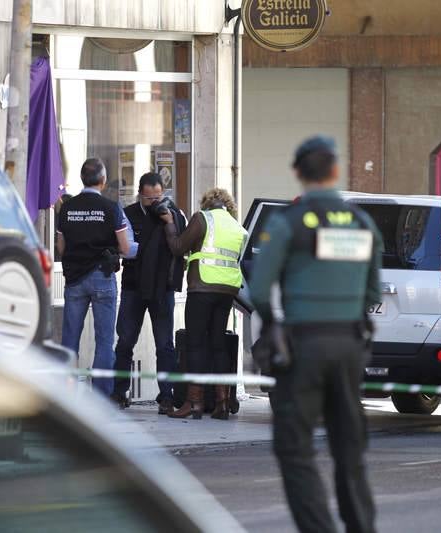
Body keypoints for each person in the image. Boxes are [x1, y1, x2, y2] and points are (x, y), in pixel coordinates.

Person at [249, 136, 381, 533]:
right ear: (336, 171)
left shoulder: (288, 223)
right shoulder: (361, 222)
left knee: (294, 445)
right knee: (349, 445)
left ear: (297, 174)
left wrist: (272, 324)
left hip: (304, 345)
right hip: (349, 345)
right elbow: (373, 291)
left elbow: (258, 289)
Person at [159, 188, 247, 420]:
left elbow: (178, 247)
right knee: (218, 344)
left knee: (196, 344)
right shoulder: (237, 227)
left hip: (203, 287)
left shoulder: (202, 218)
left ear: (207, 202)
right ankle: (222, 403)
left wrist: (169, 223)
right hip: (228, 289)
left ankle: (194, 402)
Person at [112, 173, 186, 413]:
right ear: (140, 195)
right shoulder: (129, 213)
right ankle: (119, 391)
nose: (154, 202)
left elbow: (181, 244)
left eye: (158, 197)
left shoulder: (173, 213)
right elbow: (125, 248)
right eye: (149, 198)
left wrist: (169, 222)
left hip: (162, 288)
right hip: (133, 285)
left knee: (165, 344)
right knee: (125, 341)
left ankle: (166, 395)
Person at [57, 158, 131, 396]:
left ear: (82, 179)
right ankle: (101, 396)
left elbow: (61, 247)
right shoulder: (111, 208)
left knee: (69, 340)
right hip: (102, 277)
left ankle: (66, 394)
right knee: (104, 342)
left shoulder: (67, 208)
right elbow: (125, 247)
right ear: (103, 180)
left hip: (74, 280)